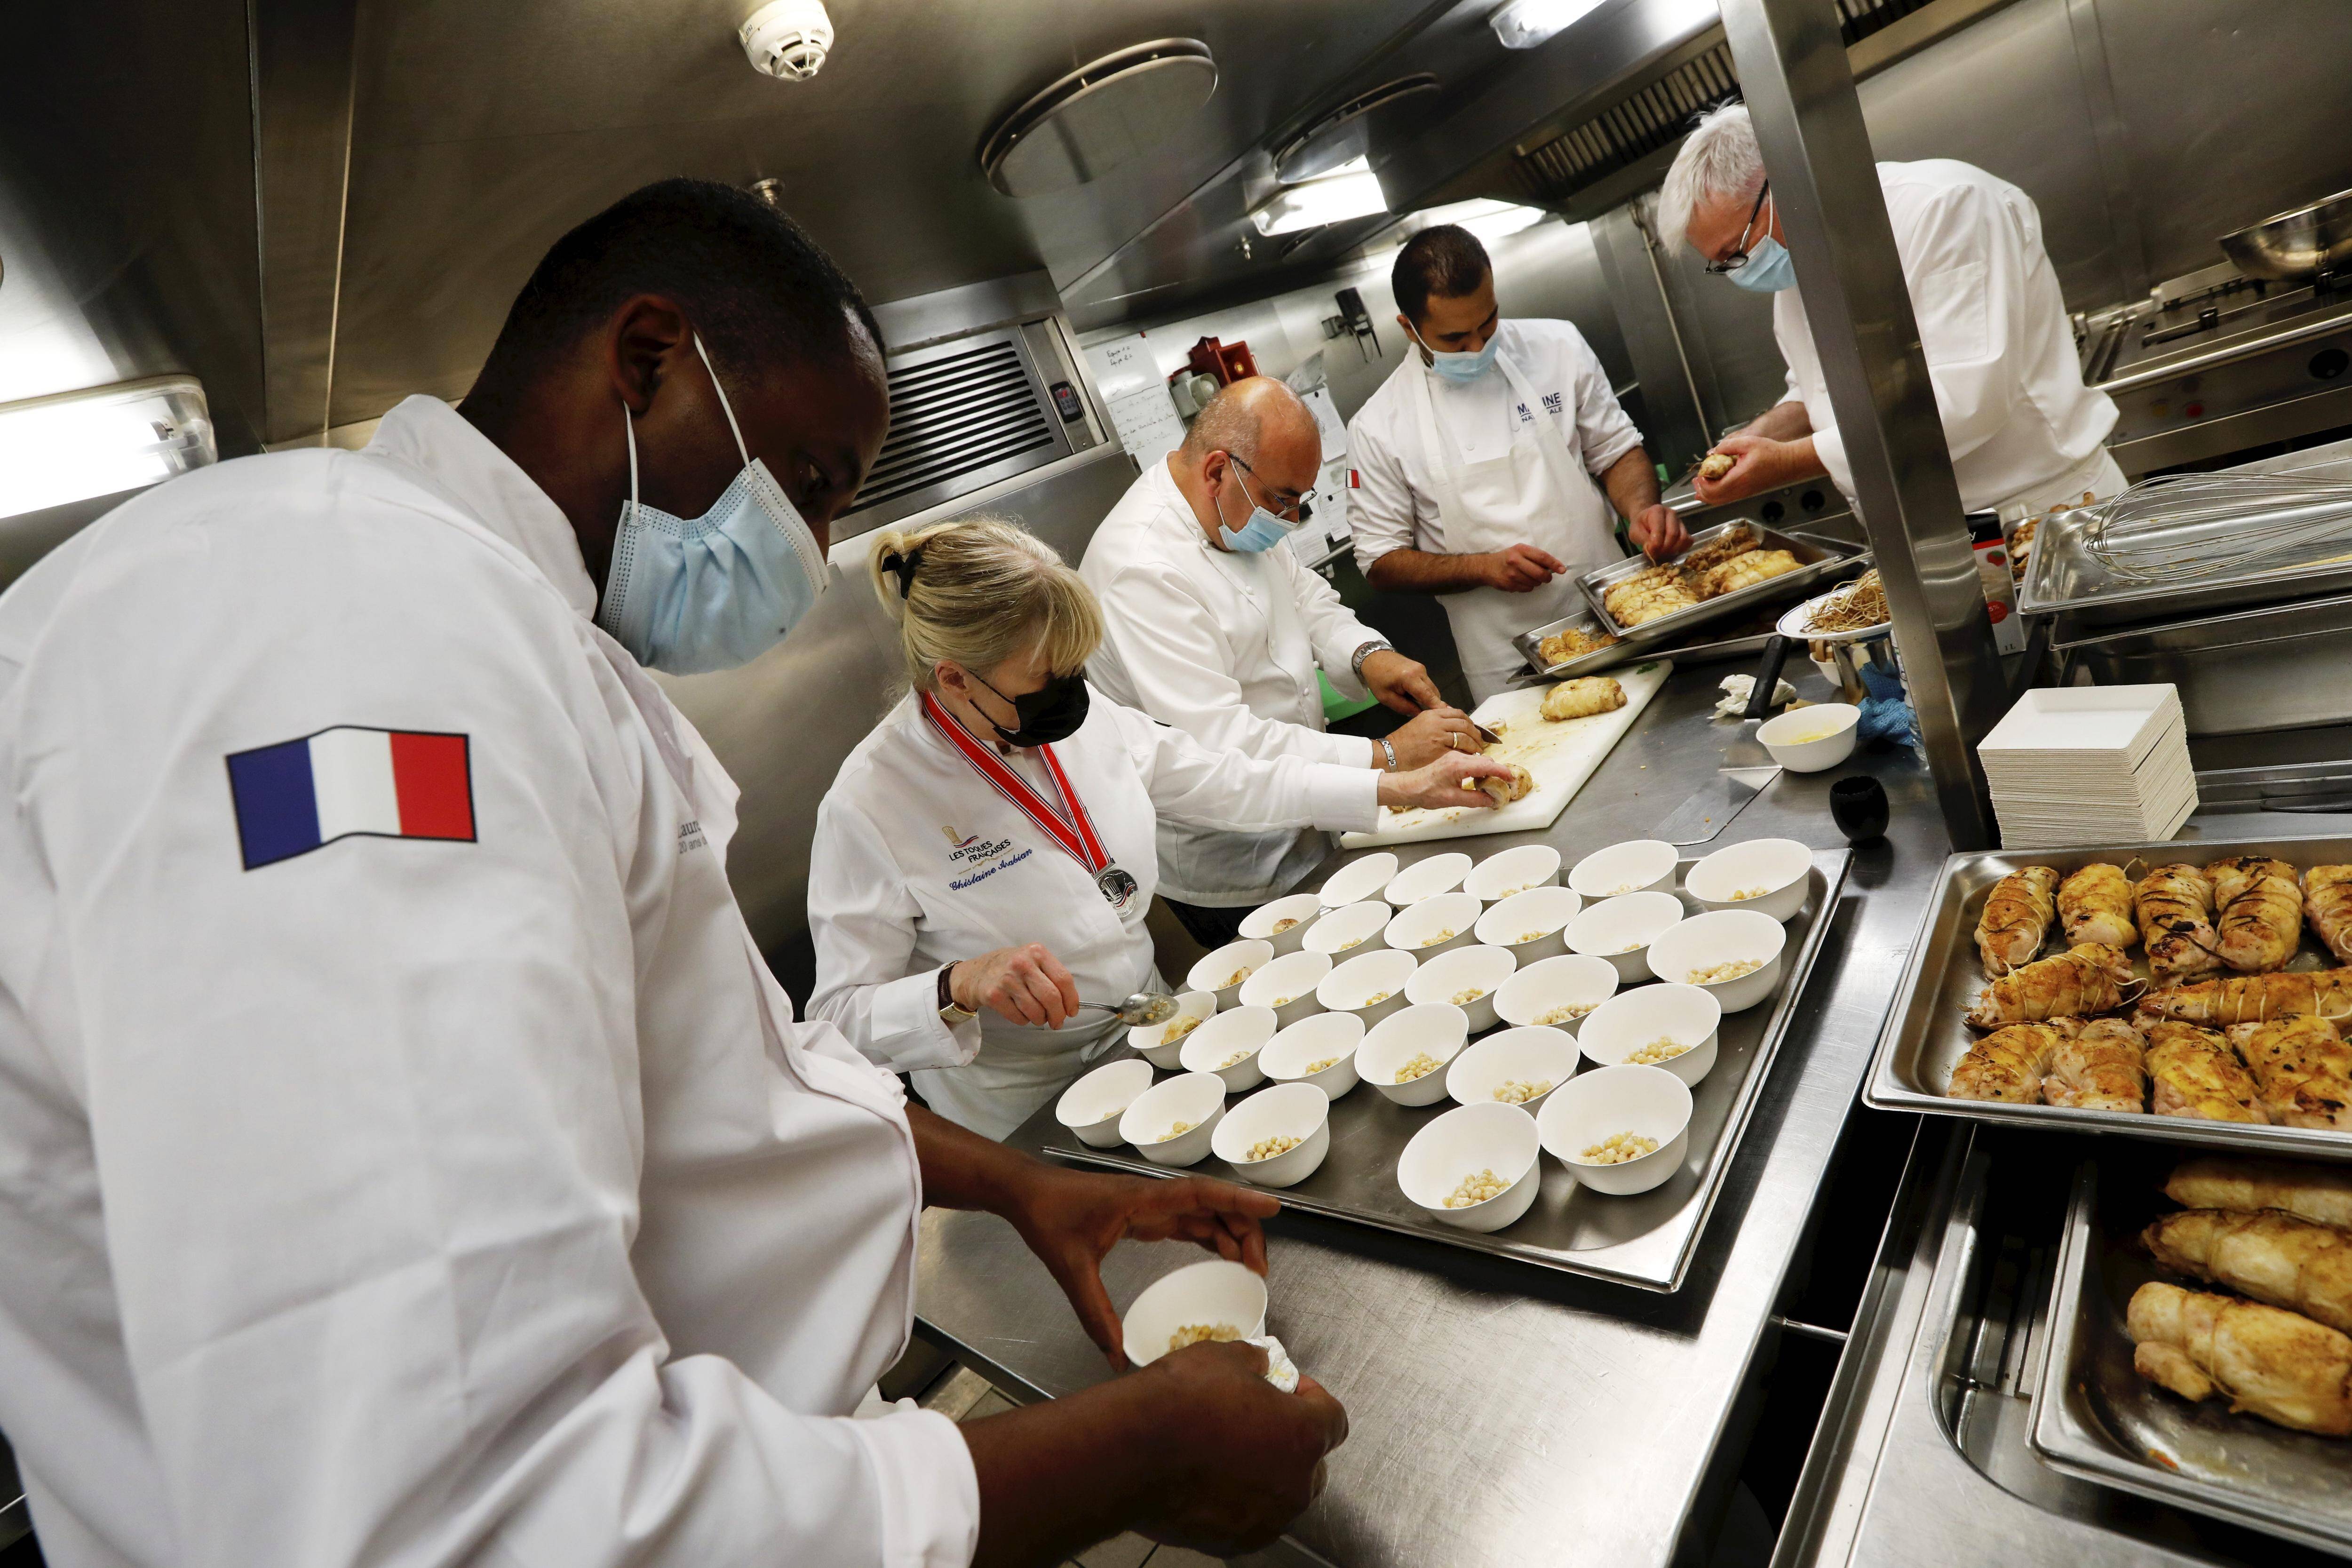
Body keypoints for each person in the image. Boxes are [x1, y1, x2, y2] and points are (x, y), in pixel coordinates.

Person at [0, 179, 1352, 1568]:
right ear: (649, 360)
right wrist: (1140, 1450)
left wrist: (1025, 1189)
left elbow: (722, 1084)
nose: (816, 553)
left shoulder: (497, 628)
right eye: (809, 483)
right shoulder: (346, 640)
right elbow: (479, 1511)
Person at [810, 516, 1508, 1140]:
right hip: (1024, 1109)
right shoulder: (871, 803)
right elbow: (838, 1018)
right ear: (955, 680)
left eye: (1074, 670)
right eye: (1041, 683)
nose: (1069, 699)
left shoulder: (1082, 718)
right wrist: (956, 984)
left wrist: (1391, 786)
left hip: (1153, 1038)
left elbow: (1221, 778)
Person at [1080, 376, 1480, 949]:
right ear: (1217, 469)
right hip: (1235, 862)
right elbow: (1223, 747)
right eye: (1282, 501)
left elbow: (1307, 599)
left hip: (1313, 813)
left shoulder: (1243, 503)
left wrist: (1367, 655)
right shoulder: (1138, 570)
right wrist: (1386, 757)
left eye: (1301, 501)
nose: (1290, 519)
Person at [1657, 103, 2124, 518]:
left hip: (2043, 511)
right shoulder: (1800, 267)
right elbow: (1816, 390)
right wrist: (1759, 437)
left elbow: (1967, 402)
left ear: (1780, 186)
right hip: (1922, 531)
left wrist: (1788, 462)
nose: (1739, 271)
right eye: (1721, 265)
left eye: (1734, 251)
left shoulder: (1944, 208)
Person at [1348, 223, 1691, 701]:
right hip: (1505, 661)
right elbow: (1381, 561)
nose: (1477, 347)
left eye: (1487, 323)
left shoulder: (1557, 347)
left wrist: (1640, 511)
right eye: (1454, 338)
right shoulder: (1378, 426)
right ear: (1408, 328)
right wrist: (1482, 568)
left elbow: (1615, 451)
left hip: (1623, 612)